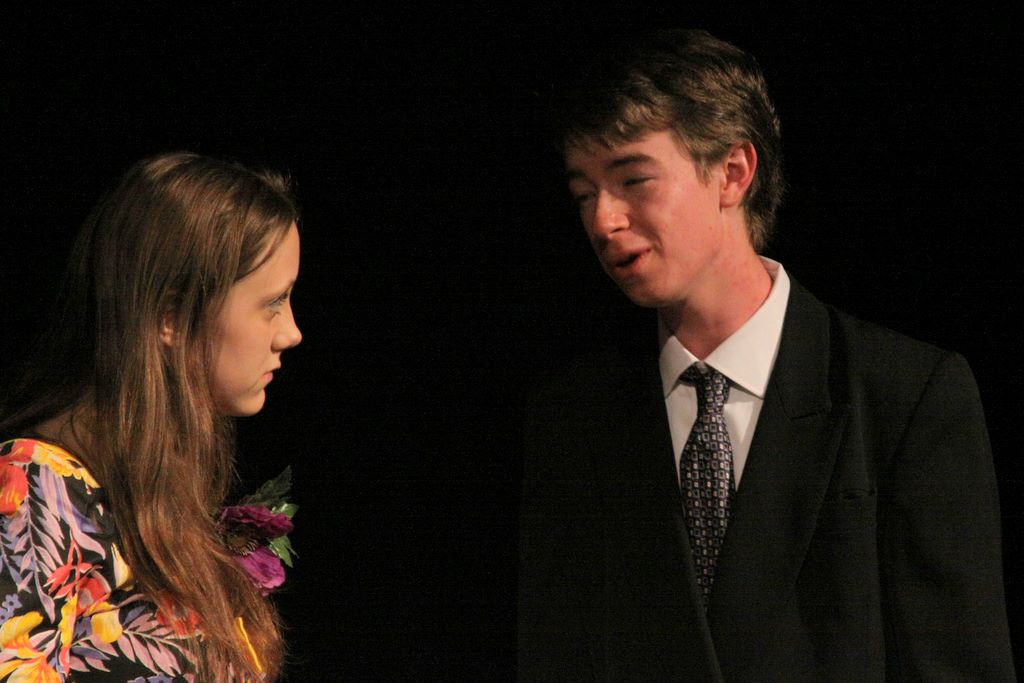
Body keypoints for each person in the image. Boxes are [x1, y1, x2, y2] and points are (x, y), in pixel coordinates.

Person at [517, 29, 1015, 681]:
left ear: (732, 173)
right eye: (584, 193)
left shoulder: (906, 397)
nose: (603, 220)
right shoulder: (574, 413)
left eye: (633, 179)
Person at [0, 152, 303, 681]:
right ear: (170, 315)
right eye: (272, 303)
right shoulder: (39, 488)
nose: (291, 332)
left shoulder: (157, 500)